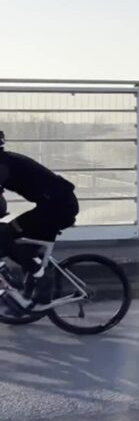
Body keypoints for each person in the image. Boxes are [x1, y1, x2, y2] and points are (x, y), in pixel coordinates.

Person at [0, 130, 80, 310]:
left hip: (58, 207)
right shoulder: (6, 161)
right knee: (18, 242)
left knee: (6, 233)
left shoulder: (2, 166)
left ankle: (42, 277)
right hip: (55, 204)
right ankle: (30, 292)